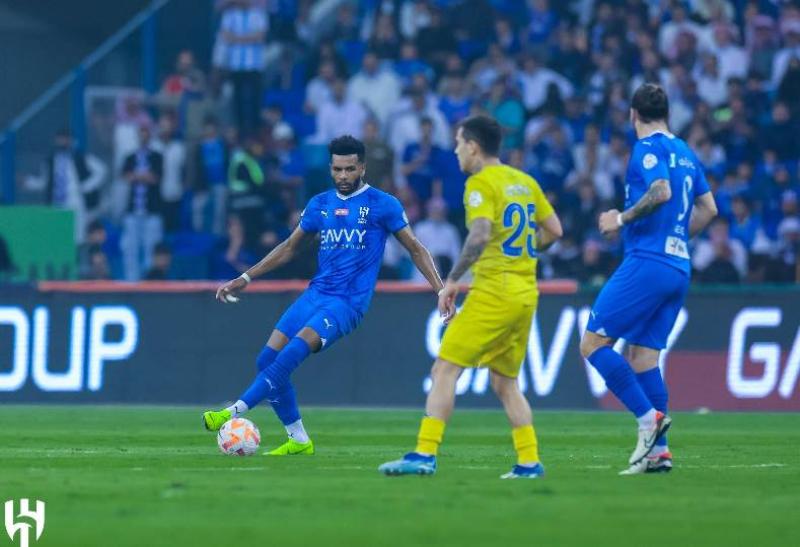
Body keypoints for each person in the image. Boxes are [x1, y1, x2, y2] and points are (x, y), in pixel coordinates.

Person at [202, 135, 452, 455]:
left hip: (347, 303)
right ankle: (299, 440)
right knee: (266, 359)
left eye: (349, 169)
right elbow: (290, 247)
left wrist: (440, 288)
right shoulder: (320, 203)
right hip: (315, 293)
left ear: (362, 167)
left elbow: (416, 249)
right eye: (337, 169)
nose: (343, 176)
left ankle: (233, 410)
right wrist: (246, 276)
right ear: (331, 168)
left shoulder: (382, 204)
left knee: (292, 353)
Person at [379, 115, 563, 479]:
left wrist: (452, 280)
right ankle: (529, 461)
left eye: (459, 143)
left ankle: (424, 453)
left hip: (494, 291)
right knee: (505, 382)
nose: (456, 150)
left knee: (444, 368)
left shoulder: (480, 184)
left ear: (474, 147)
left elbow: (479, 236)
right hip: (526, 293)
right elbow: (554, 230)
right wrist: (521, 254)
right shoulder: (524, 182)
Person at [578, 84, 718, 475]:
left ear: (632, 114)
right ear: (667, 112)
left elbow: (660, 190)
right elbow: (709, 208)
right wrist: (677, 238)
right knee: (643, 357)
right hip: (678, 267)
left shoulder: (647, 149)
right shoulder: (687, 153)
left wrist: (619, 219)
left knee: (592, 344)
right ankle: (660, 453)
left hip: (647, 262)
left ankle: (648, 419)